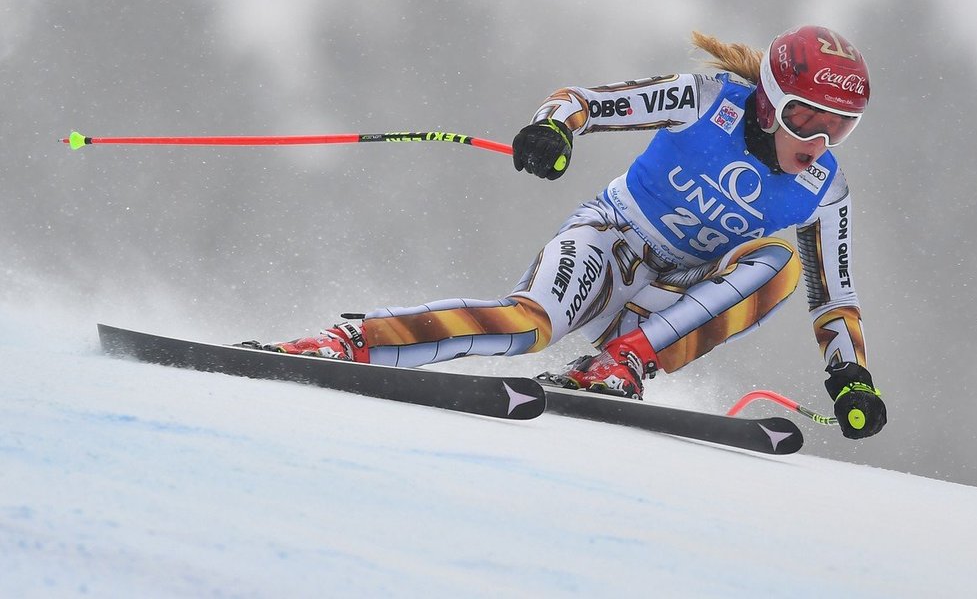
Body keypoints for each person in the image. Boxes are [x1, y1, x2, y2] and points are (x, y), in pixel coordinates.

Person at [265, 25, 887, 440]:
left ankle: (622, 364)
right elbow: (585, 101)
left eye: (841, 128)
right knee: (528, 328)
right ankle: (352, 339)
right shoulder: (706, 100)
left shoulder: (824, 191)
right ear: (770, 102)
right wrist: (553, 128)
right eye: (808, 119)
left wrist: (849, 375)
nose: (819, 143)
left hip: (669, 303)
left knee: (783, 263)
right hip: (611, 244)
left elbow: (836, 299)